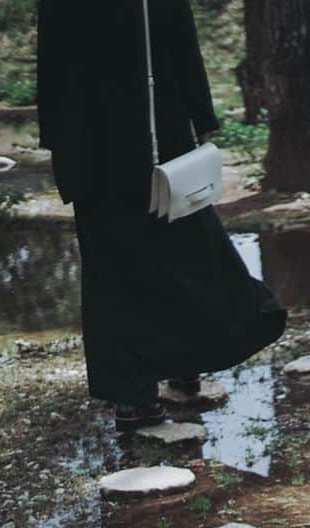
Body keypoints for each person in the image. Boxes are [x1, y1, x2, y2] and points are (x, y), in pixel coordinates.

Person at [36, 0, 287, 432]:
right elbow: (181, 44)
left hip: (90, 143)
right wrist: (201, 118)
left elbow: (52, 60)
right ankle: (184, 365)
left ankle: (134, 398)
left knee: (114, 268)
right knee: (184, 252)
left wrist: (58, 140)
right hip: (156, 139)